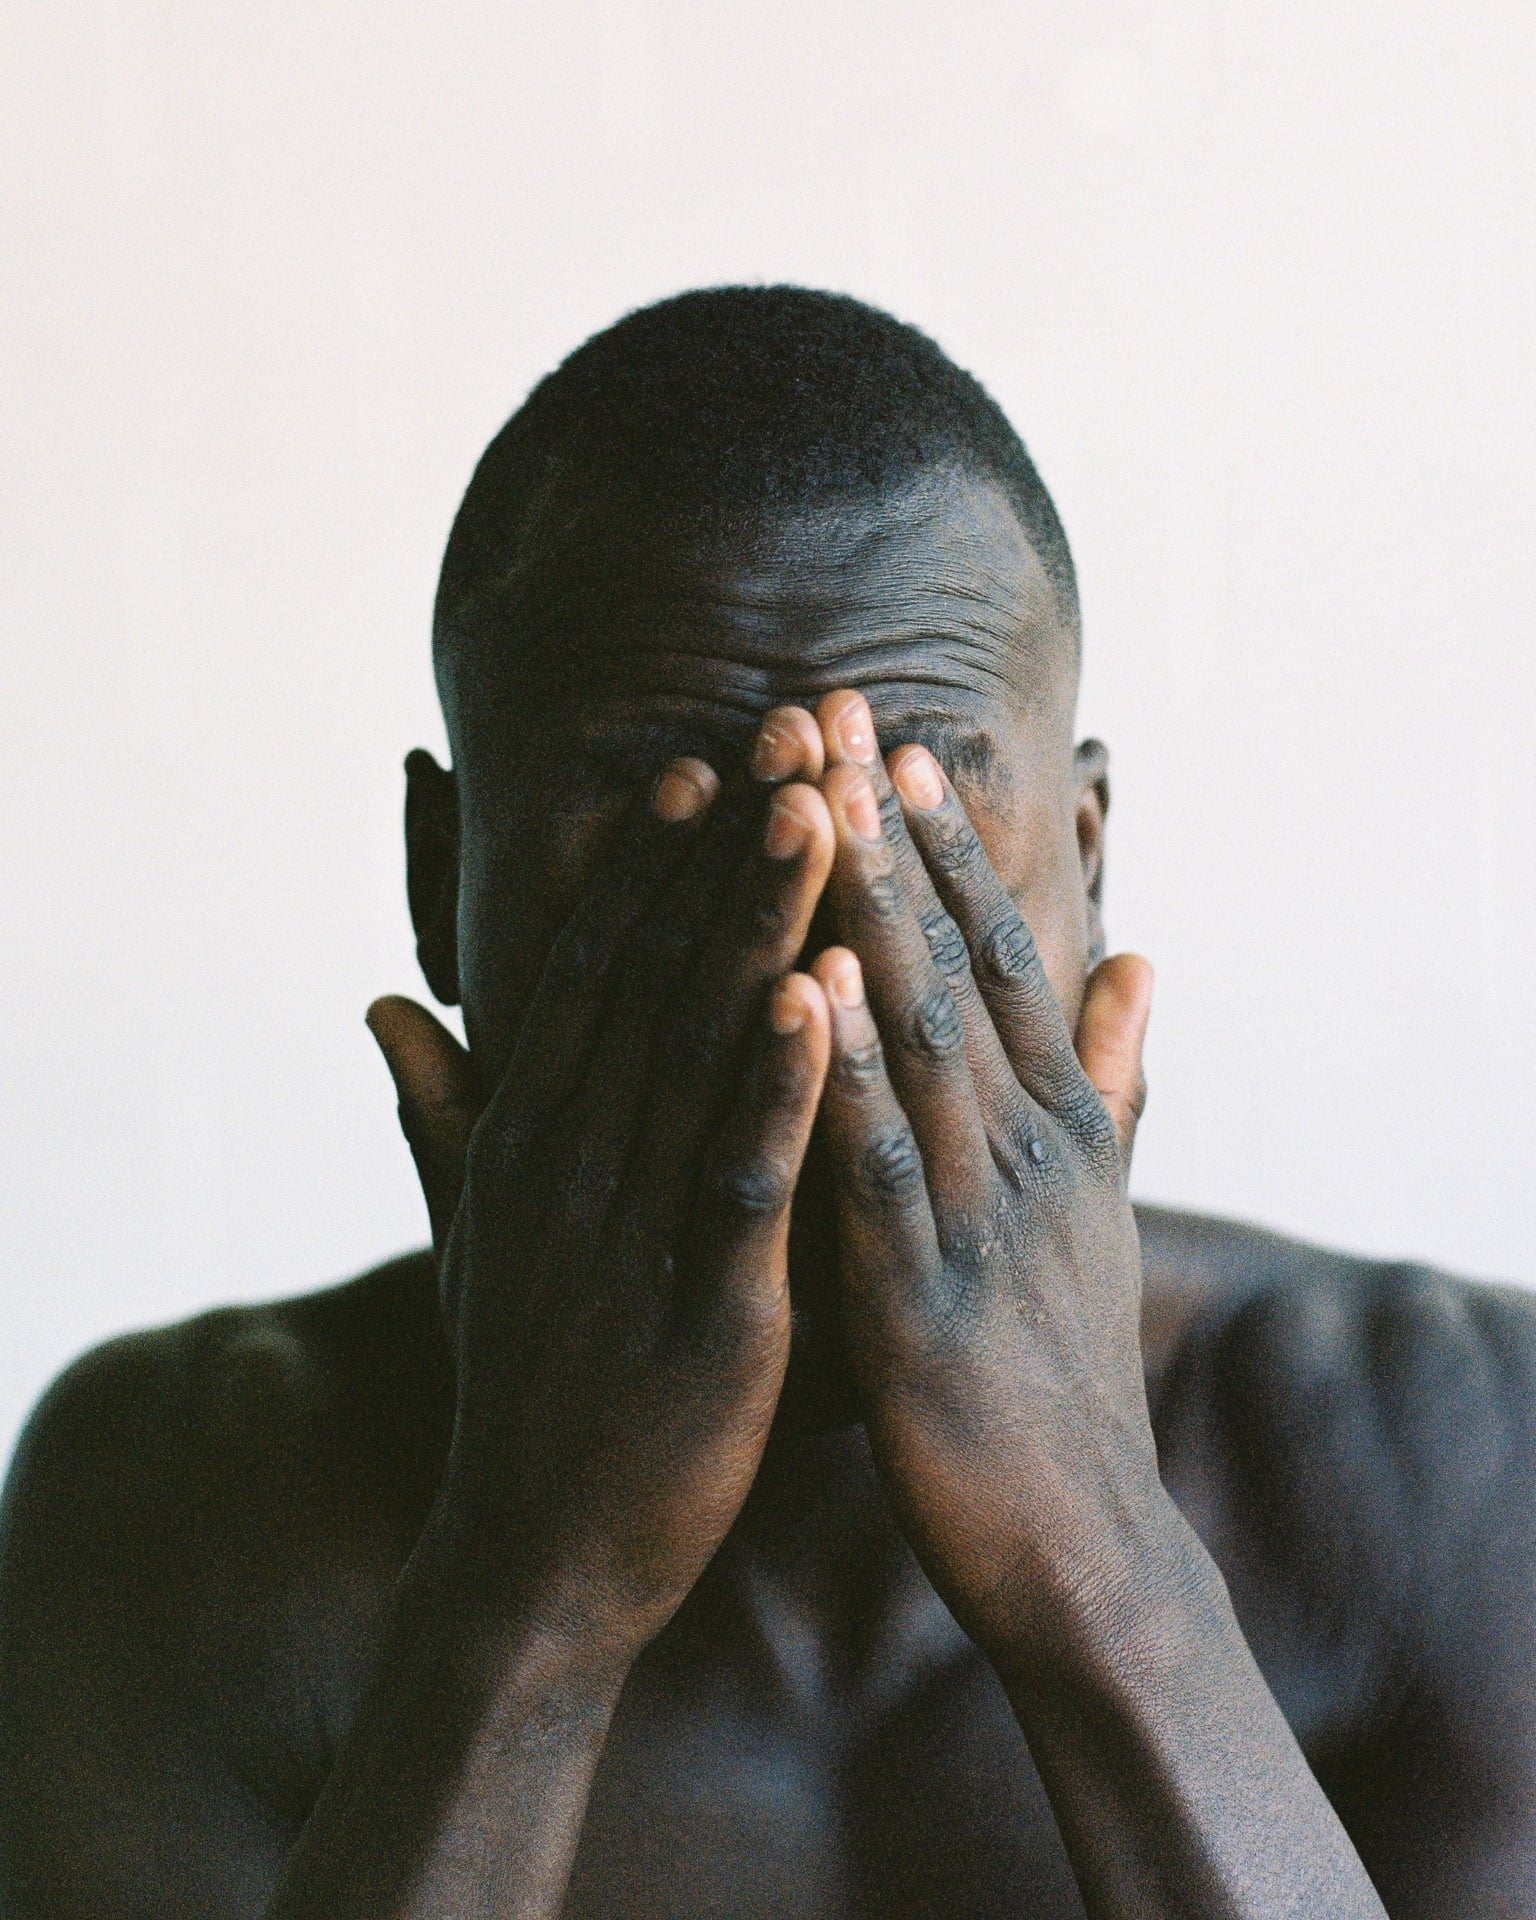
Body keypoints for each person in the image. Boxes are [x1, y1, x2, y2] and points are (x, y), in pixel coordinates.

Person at [2, 287, 1534, 1920]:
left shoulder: (1455, 1453)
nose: (813, 980)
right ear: (441, 878)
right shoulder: (171, 1501)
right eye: (670, 860)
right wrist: (532, 1593)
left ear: (1085, 861)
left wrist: (1095, 1554)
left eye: (918, 834)